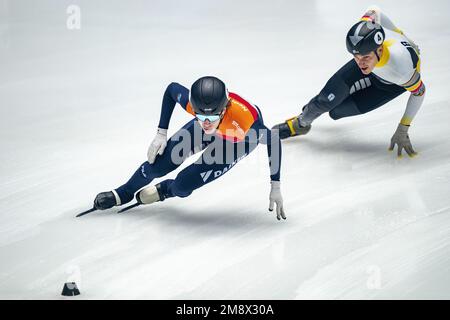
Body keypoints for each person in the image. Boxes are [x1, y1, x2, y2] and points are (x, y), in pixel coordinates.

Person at [92, 76, 286, 220]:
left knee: (183, 186)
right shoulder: (197, 108)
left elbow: (274, 141)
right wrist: (161, 133)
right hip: (224, 126)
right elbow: (171, 89)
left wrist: (275, 185)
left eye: (211, 118)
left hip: (238, 140)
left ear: (225, 109)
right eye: (200, 117)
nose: (206, 124)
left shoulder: (246, 124)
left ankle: (165, 190)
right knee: (158, 165)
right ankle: (124, 192)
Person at [273, 5, 425, 158]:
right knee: (325, 100)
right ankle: (299, 125)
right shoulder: (367, 51)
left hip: (388, 85)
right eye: (356, 58)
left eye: (365, 57)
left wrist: (403, 128)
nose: (361, 63)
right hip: (380, 66)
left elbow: (420, 92)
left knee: (335, 112)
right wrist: (398, 32)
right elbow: (375, 11)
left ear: (380, 49)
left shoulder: (401, 70)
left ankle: (330, 102)